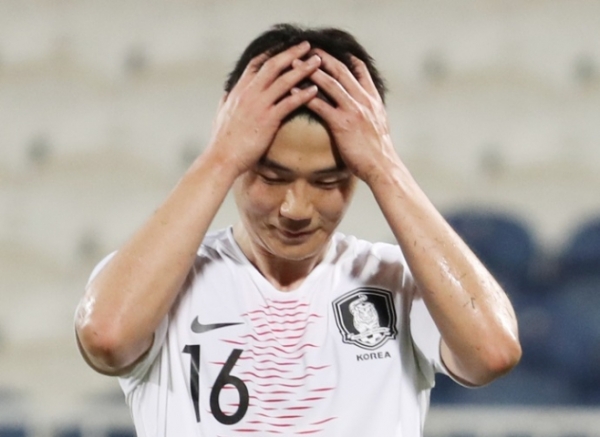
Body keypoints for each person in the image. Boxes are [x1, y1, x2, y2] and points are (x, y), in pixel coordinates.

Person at [75, 23, 522, 437]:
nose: (296, 209)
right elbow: (106, 336)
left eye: (327, 182)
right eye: (272, 177)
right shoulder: (164, 284)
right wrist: (218, 157)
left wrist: (385, 165)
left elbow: (493, 351)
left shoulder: (397, 281)